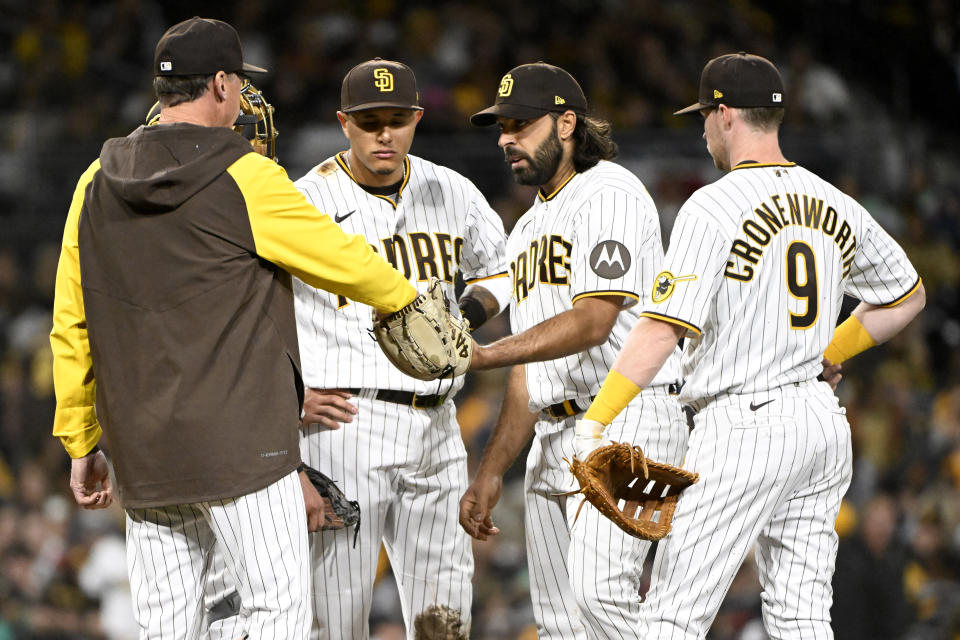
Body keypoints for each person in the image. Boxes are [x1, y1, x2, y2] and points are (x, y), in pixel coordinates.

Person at [51, 18, 423, 640]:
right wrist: (407, 301)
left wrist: (80, 440)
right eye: (239, 85)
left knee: (167, 627)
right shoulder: (244, 174)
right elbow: (345, 262)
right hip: (245, 451)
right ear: (222, 84)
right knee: (277, 619)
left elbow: (71, 324)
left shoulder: (93, 182)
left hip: (145, 455)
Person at [577, 52, 925, 639]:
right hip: (820, 425)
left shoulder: (713, 205)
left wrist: (596, 421)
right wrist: (828, 354)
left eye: (705, 116)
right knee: (802, 618)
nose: (702, 128)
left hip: (745, 427)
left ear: (726, 114)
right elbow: (907, 296)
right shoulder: (833, 200)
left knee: (670, 615)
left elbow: (661, 329)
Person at [459, 62, 688, 639]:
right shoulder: (528, 227)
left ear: (566, 123)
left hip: (627, 415)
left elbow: (592, 321)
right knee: (562, 623)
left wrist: (486, 353)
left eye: (520, 123)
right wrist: (490, 471)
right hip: (555, 432)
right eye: (501, 126)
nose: (506, 137)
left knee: (600, 596)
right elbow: (530, 367)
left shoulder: (608, 191)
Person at [291, 58, 509, 640]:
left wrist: (465, 316)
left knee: (446, 611)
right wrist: (290, 395)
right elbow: (261, 312)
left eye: (396, 119)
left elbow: (504, 269)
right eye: (368, 122)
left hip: (437, 422)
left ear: (416, 119)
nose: (383, 134)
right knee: (335, 613)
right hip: (345, 422)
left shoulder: (451, 188)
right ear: (343, 123)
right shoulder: (305, 199)